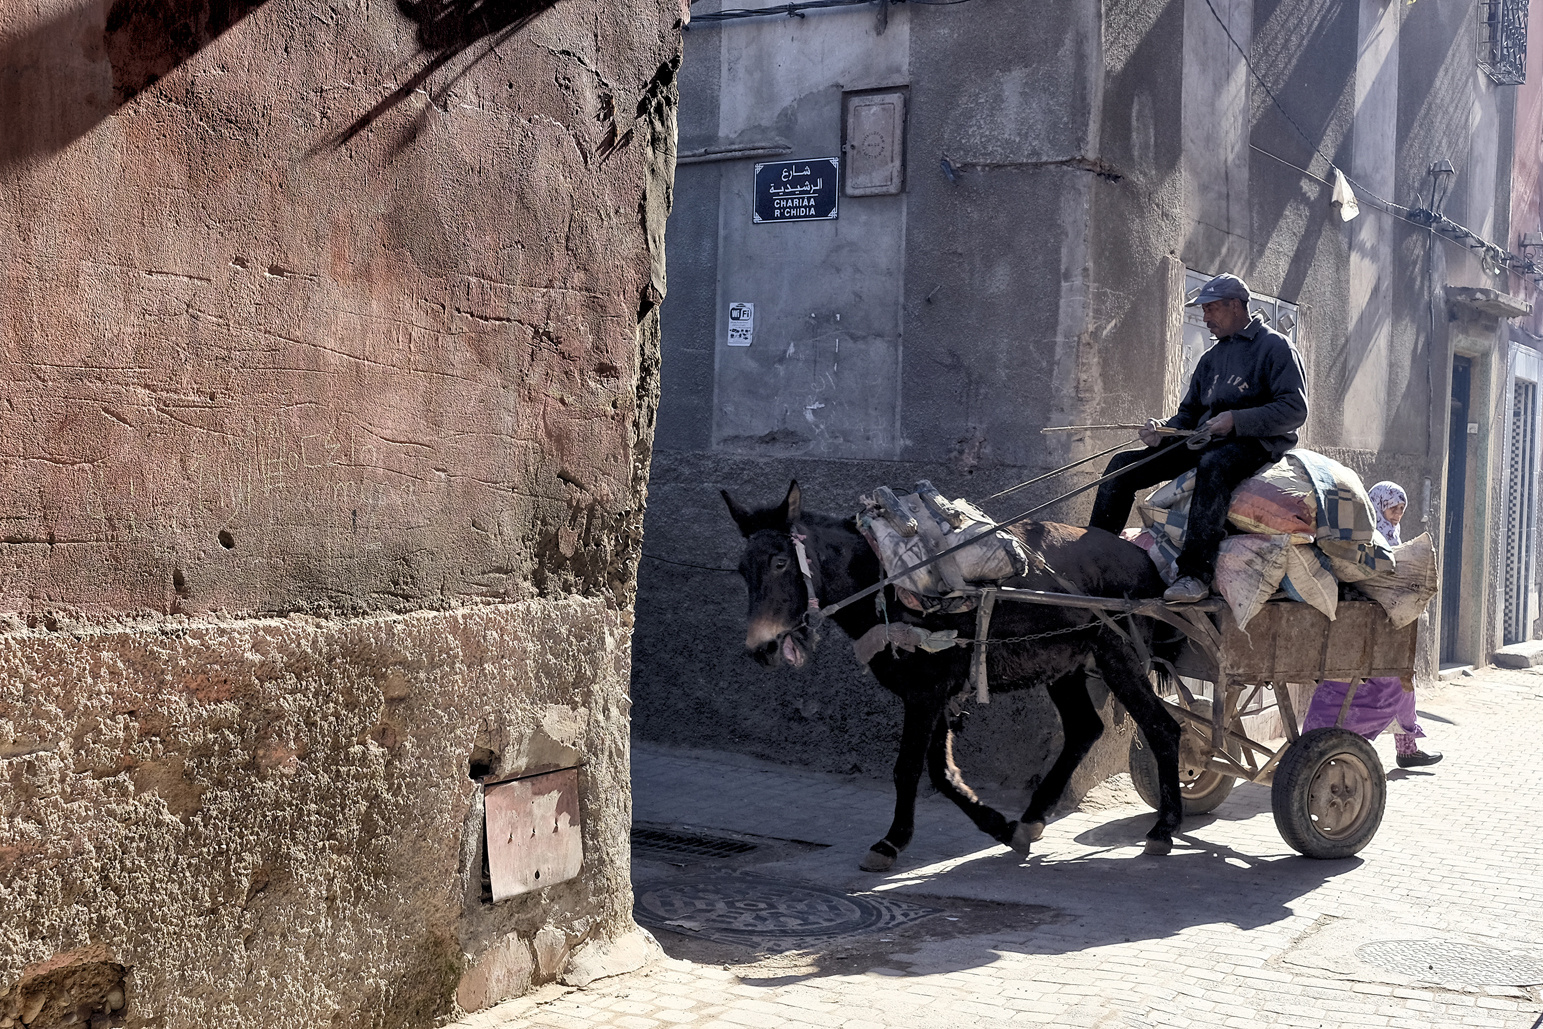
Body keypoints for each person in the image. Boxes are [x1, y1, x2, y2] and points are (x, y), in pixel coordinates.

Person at [1089, 273, 1309, 604]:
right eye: (1204, 311)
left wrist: (1235, 420)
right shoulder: (1211, 359)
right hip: (1206, 439)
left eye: (1210, 310)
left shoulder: (1275, 348)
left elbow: (1294, 409)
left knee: (1214, 465)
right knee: (1123, 465)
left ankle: (1194, 574)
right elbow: (1188, 416)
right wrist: (1162, 430)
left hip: (1257, 444)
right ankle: (1095, 554)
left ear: (1235, 306)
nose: (1204, 318)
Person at [1302, 481, 1443, 768]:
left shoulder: (1392, 536)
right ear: (1379, 505)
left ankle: (1407, 748)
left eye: (1402, 508)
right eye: (1393, 508)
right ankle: (1325, 744)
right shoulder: (1370, 536)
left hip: (1384, 627)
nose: (1397, 514)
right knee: (1377, 687)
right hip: (1363, 627)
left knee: (1402, 685)